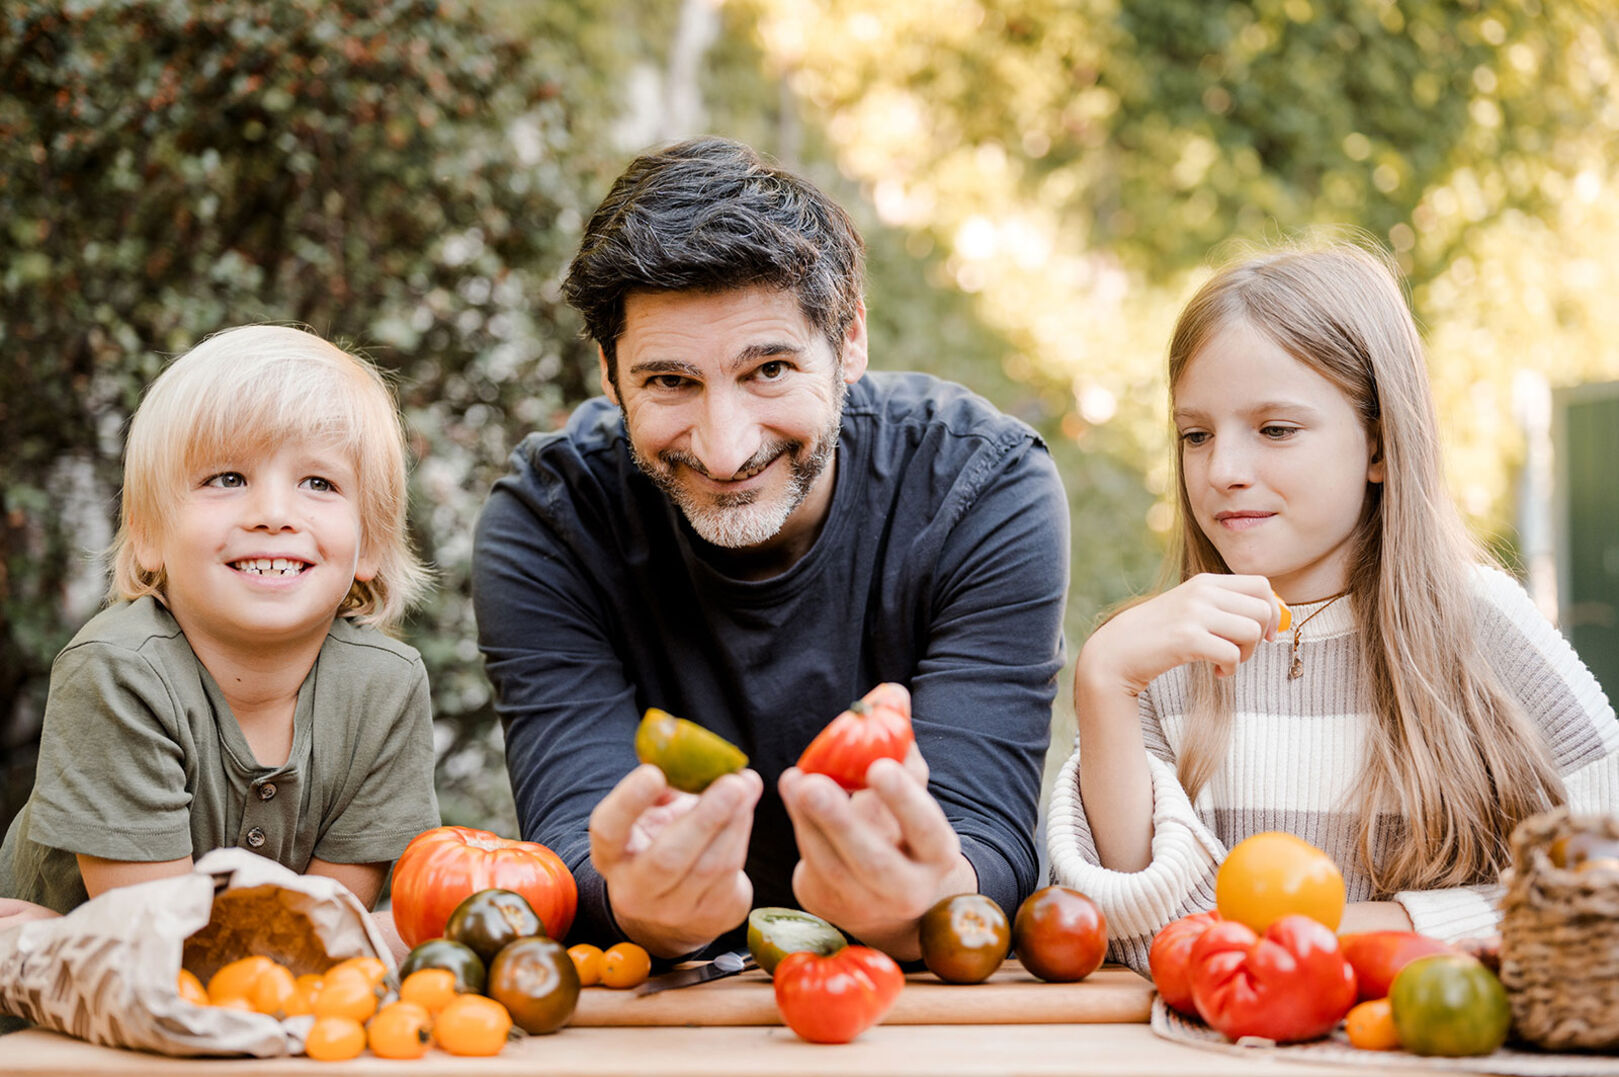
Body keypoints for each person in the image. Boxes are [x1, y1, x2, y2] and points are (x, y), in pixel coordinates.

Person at [473, 137, 1069, 962]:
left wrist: (921, 900)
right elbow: (577, 845)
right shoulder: (549, 523)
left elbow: (985, 830)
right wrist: (641, 908)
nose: (723, 451)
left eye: (769, 370)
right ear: (608, 377)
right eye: (669, 382)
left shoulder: (981, 487)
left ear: (849, 340)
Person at [1047, 239, 1619, 972]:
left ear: (1378, 443)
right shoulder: (1156, 659)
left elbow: (1603, 879)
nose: (1222, 470)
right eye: (1195, 435)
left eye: (1275, 430)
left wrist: (1372, 929)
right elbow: (1128, 932)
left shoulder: (1480, 624)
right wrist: (1102, 682)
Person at [0, 326, 440, 930]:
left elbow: (318, 934)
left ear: (372, 541)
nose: (274, 515)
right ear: (149, 531)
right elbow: (162, 941)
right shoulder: (118, 674)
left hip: (258, 1012)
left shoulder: (383, 689)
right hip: (64, 1020)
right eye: (227, 479)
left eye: (320, 483)